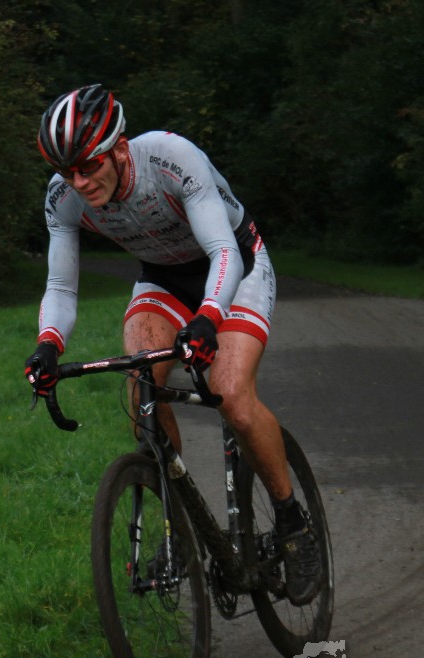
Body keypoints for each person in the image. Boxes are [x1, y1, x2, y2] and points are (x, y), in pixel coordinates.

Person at [24, 83, 322, 604]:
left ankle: (294, 523)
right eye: (67, 171)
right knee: (141, 387)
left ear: (119, 149)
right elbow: (61, 286)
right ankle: (179, 528)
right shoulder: (63, 196)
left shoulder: (170, 158)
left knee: (231, 395)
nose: (79, 182)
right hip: (163, 278)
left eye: (88, 166)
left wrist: (208, 320)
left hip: (235, 266)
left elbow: (223, 250)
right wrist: (48, 344)